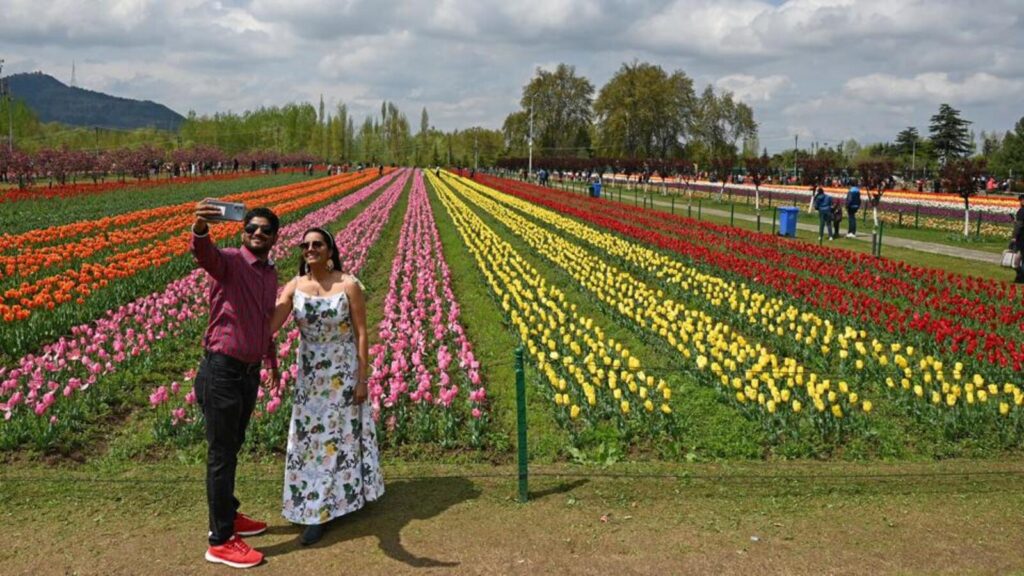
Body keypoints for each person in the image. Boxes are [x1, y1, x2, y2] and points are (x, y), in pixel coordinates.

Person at [270, 227, 384, 546]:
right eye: (305, 245)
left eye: (317, 244)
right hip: (310, 375)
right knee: (310, 440)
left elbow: (362, 333)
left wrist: (362, 379)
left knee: (339, 437)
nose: (310, 249)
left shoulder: (348, 285)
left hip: (344, 369)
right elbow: (270, 325)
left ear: (330, 250)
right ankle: (313, 501)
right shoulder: (295, 287)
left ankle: (330, 505)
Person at [191, 203, 281, 569]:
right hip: (223, 370)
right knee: (221, 454)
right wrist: (200, 227)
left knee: (234, 445)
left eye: (265, 229)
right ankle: (221, 539)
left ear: (275, 237)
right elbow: (203, 253)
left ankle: (229, 513)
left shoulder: (270, 273)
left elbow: (263, 321)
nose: (257, 233)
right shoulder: (229, 261)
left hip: (249, 371)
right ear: (242, 231)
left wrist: (271, 360)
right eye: (251, 228)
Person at [1013, 194, 1024, 284]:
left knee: (1018, 259)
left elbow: (1019, 226)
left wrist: (1014, 236)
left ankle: (1021, 277)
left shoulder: (1021, 211)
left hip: (1022, 238)